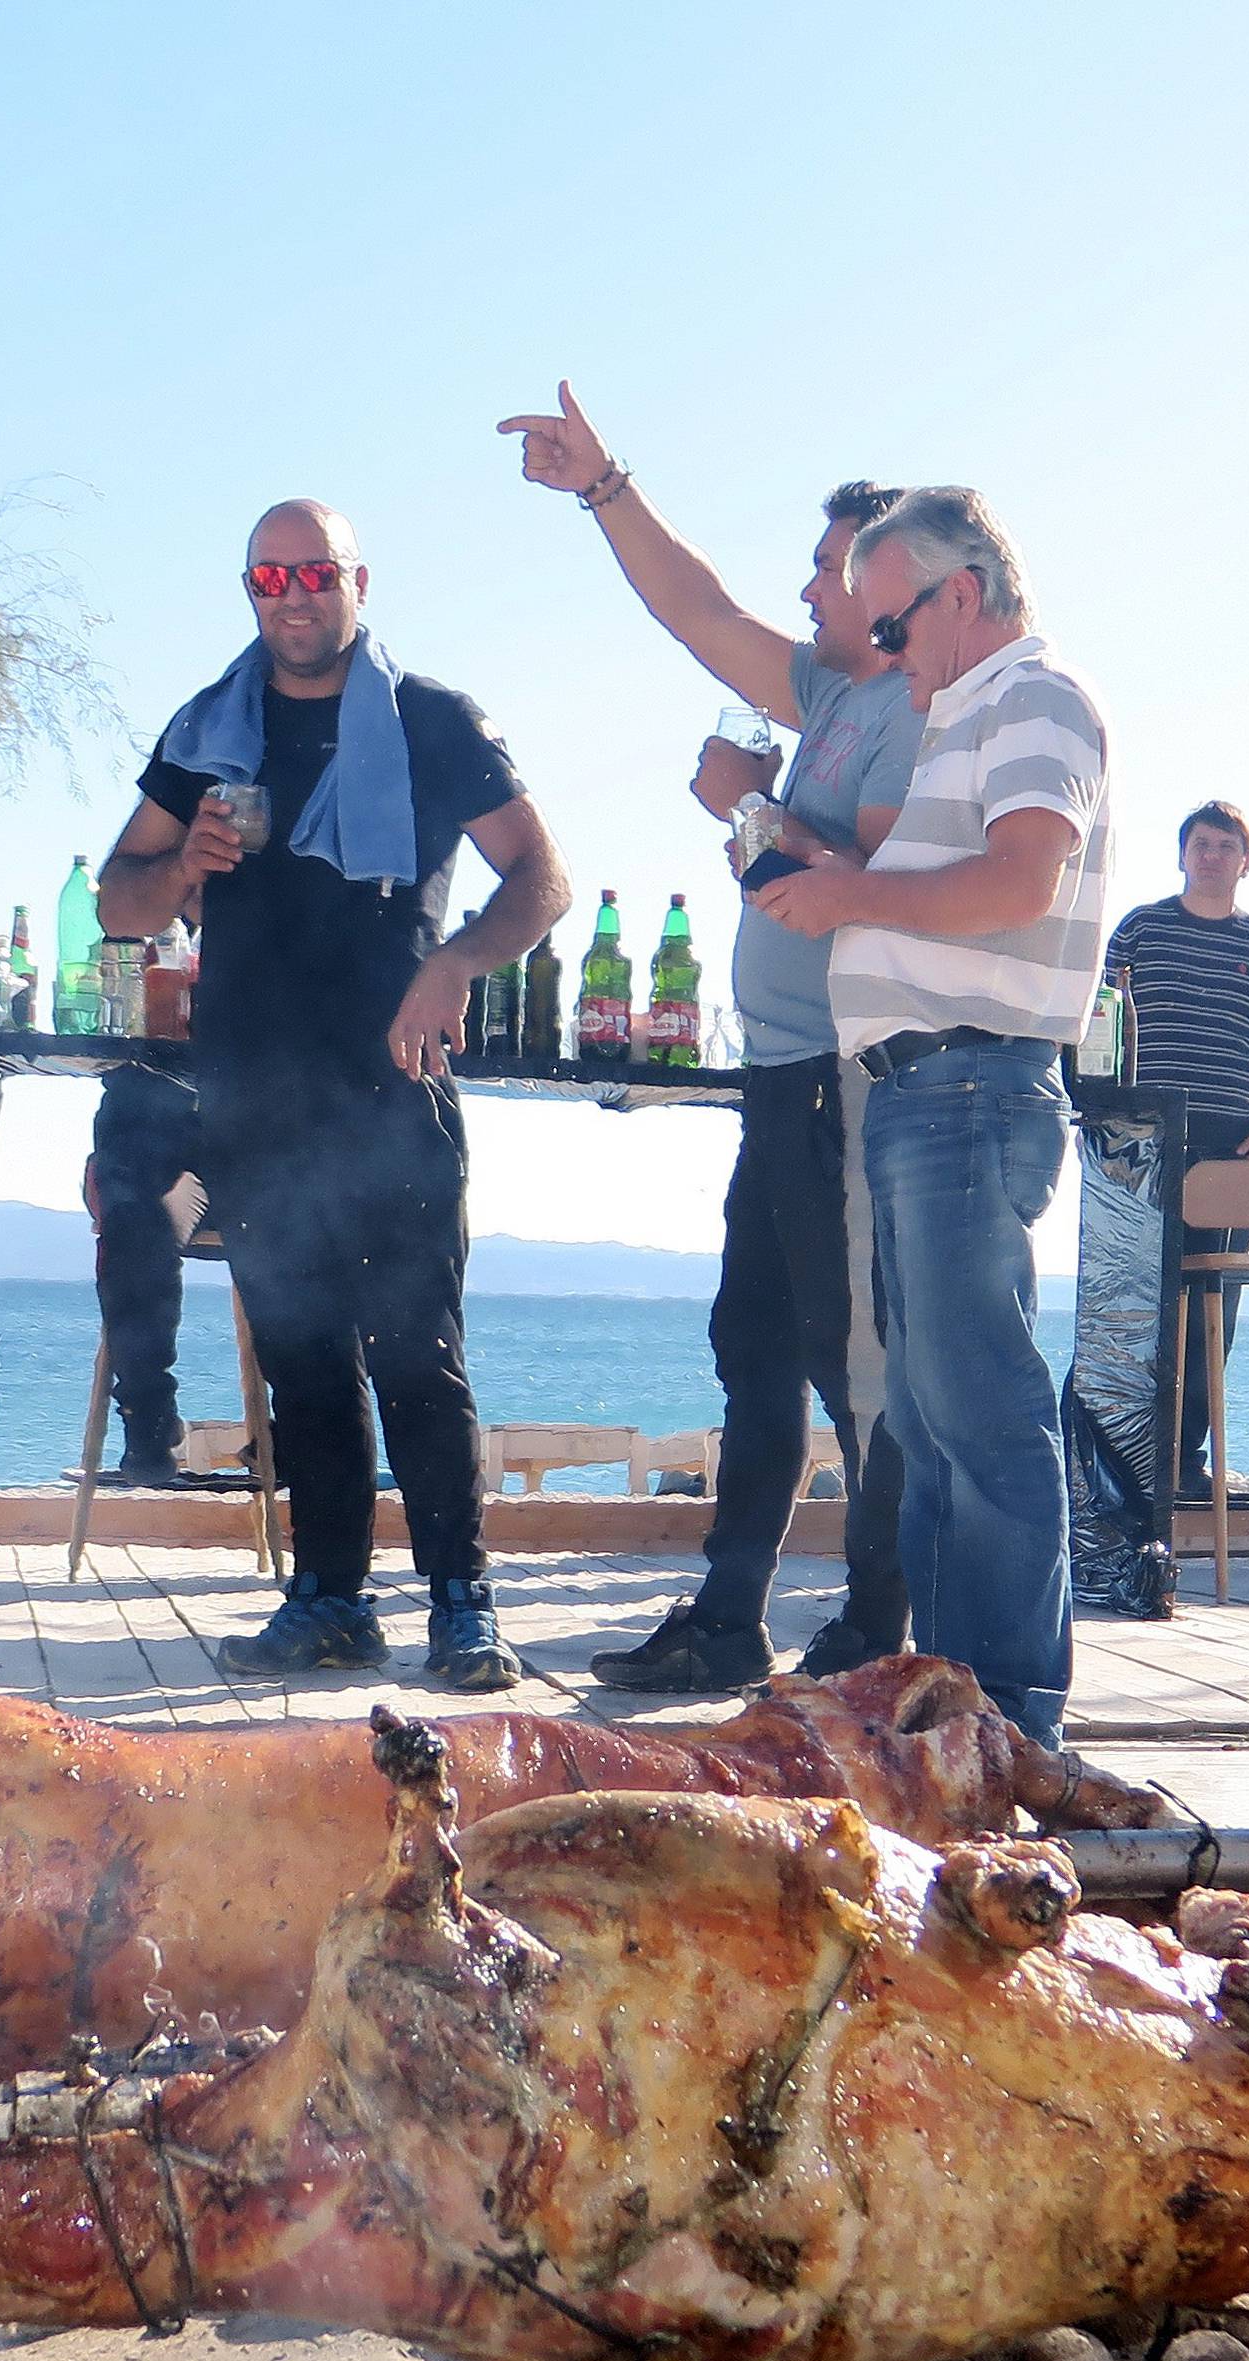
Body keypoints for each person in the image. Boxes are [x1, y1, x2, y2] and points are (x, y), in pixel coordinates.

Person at [97, 499, 570, 1688]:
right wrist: (182, 864)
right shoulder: (211, 731)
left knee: (417, 1351)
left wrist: (455, 962)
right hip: (255, 1091)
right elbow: (118, 902)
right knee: (302, 1360)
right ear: (248, 590)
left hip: (392, 1085)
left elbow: (543, 878)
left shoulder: (429, 721)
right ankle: (327, 1600)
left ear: (359, 580)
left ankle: (463, 1606)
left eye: (315, 572)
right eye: (270, 576)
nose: (293, 595)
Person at [498, 380, 924, 1692]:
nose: (804, 589)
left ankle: (876, 1626)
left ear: (890, 579)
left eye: (827, 566)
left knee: (854, 1365)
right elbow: (696, 612)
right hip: (778, 1078)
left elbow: (899, 892)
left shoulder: (919, 713)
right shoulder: (830, 696)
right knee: (751, 1348)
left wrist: (759, 810)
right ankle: (732, 1615)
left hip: (852, 1083)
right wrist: (604, 487)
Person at [756, 488, 1111, 1748]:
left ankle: (1010, 1728)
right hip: (929, 1090)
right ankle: (960, 1719)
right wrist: (841, 885)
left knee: (979, 1414)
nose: (886, 656)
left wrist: (849, 892)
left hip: (966, 1086)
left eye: (894, 629)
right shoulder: (973, 708)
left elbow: (1022, 880)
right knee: (931, 1420)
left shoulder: (1034, 698)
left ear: (962, 593)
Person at [1105, 800, 1249, 1498]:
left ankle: (1185, 1463)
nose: (1212, 855)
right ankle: (1117, 1462)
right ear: (1181, 853)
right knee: (1132, 1301)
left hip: (1232, 1145)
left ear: (1245, 861)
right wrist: (1109, 1118)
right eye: (1201, 843)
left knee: (1209, 1305)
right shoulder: (1140, 927)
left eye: (1226, 846)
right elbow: (1099, 1022)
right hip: (1145, 1137)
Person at [85, 1067, 206, 1485]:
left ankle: (148, 1420)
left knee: (130, 1212)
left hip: (249, 1143)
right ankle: (148, 1419)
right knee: (131, 1206)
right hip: (151, 1152)